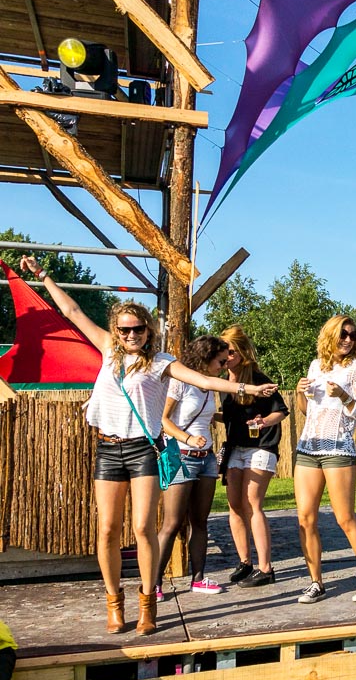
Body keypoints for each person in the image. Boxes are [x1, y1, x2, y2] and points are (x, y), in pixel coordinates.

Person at [16, 256, 277, 635]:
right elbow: (72, 310)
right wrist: (43, 276)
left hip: (143, 450)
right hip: (109, 448)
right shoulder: (108, 348)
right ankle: (114, 602)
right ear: (116, 331)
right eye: (124, 330)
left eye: (137, 329)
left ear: (147, 330)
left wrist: (246, 387)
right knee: (108, 529)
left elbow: (204, 381)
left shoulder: (160, 362)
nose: (131, 335)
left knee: (142, 527)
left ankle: (147, 602)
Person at [293, 315, 356, 604]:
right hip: (308, 447)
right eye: (343, 334)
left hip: (338, 449)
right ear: (330, 335)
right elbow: (307, 410)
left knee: (344, 518)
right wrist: (300, 393)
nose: (348, 339)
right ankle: (316, 583)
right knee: (305, 519)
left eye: (352, 335)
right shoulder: (315, 366)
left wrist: (344, 395)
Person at [154, 335, 230, 599]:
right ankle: (153, 584)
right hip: (182, 457)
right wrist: (187, 438)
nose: (224, 366)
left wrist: (228, 418)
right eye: (221, 361)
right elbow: (163, 420)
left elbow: (203, 415)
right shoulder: (180, 382)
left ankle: (198, 579)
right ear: (205, 358)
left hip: (206, 458)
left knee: (200, 521)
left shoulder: (209, 387)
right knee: (172, 523)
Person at [220, 325, 290, 589]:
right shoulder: (222, 381)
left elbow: (281, 410)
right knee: (234, 505)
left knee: (252, 504)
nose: (227, 357)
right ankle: (245, 562)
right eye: (223, 352)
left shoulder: (257, 378)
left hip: (260, 446)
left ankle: (266, 568)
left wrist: (264, 422)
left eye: (231, 351)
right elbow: (230, 416)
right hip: (235, 448)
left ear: (241, 352)